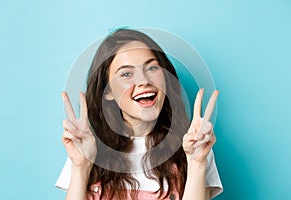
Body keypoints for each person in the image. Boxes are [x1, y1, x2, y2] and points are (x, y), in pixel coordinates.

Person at [56, 28, 223, 200]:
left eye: (151, 68)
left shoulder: (195, 145)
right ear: (108, 91)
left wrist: (196, 162)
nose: (144, 81)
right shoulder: (86, 148)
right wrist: (81, 166)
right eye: (126, 74)